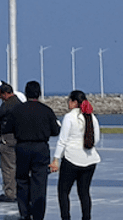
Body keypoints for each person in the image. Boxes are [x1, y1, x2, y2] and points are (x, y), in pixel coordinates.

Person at [8, 80, 60, 220]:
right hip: (40, 148)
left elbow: (8, 128)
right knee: (40, 182)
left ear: (26, 93)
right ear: (39, 93)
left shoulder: (17, 110)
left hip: (22, 147)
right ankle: (38, 214)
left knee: (22, 180)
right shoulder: (46, 110)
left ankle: (24, 212)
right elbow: (55, 131)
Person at [50, 90, 100, 220]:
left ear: (74, 102)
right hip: (90, 159)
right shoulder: (91, 117)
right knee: (84, 193)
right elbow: (97, 139)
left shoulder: (69, 117)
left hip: (71, 159)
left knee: (63, 192)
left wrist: (56, 159)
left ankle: (66, 218)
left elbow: (63, 140)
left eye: (69, 101)